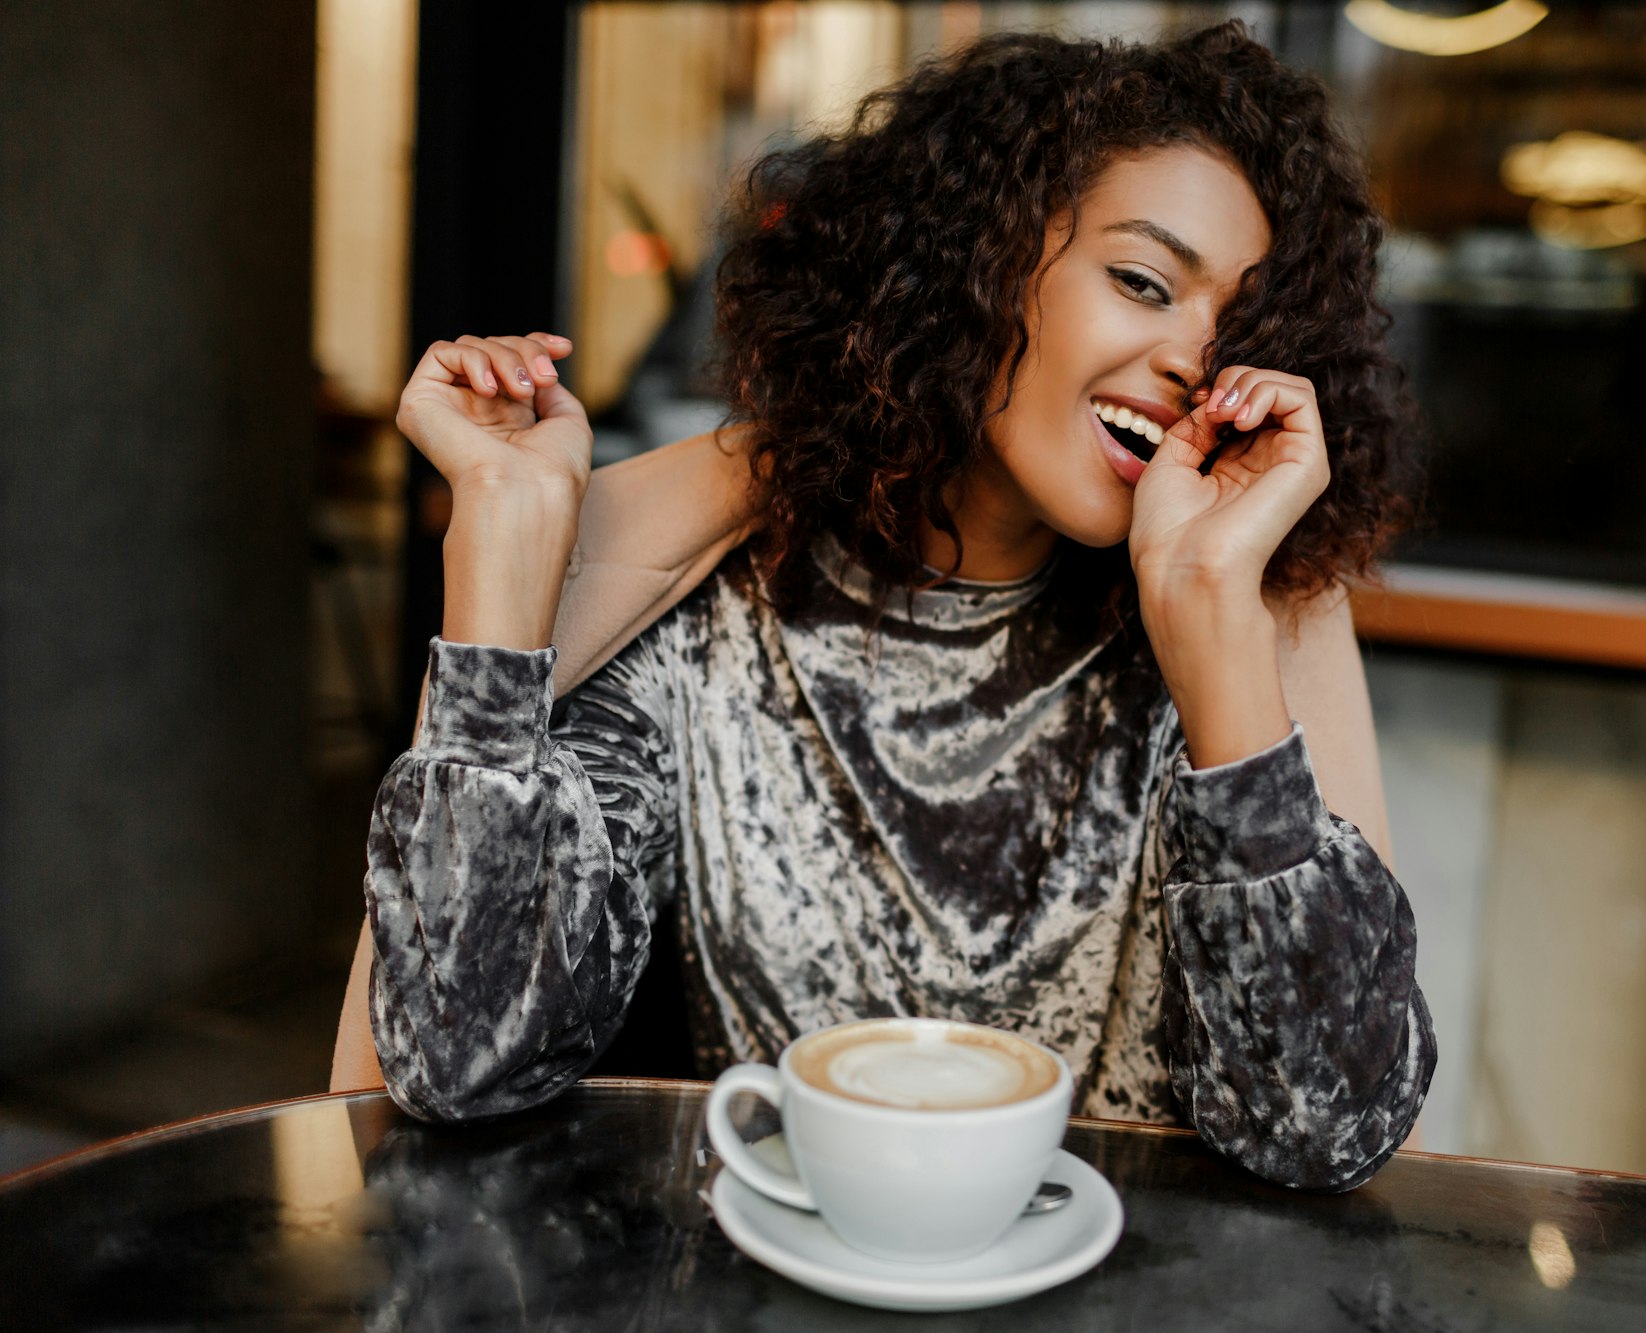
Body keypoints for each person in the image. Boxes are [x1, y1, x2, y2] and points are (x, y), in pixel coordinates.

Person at [364, 21, 1435, 1191]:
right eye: (1142, 281)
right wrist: (505, 571)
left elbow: (1327, 1129)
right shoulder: (704, 626)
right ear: (967, 263)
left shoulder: (1229, 625)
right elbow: (459, 1059)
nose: (1197, 358)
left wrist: (1211, 636)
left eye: (1241, 330)